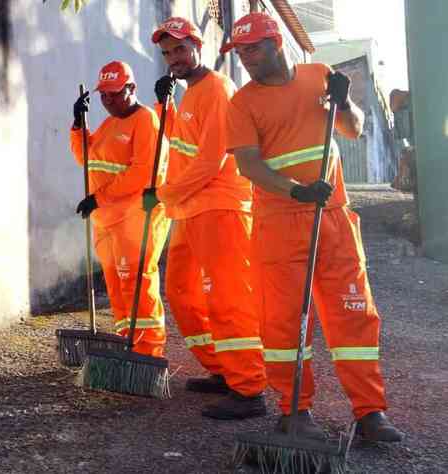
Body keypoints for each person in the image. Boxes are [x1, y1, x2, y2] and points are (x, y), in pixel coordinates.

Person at [223, 12, 404, 441]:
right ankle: (294, 410)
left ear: (276, 43)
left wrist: (343, 101)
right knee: (284, 324)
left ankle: (369, 412)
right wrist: (296, 191)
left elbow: (353, 128)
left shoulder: (319, 75)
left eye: (254, 48)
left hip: (335, 219)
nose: (246, 58)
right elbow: (248, 164)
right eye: (241, 51)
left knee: (354, 316)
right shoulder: (242, 103)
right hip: (280, 223)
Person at [142, 17, 267, 419]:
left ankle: (249, 388)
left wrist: (161, 195)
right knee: (182, 292)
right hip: (189, 209)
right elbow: (181, 144)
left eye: (180, 48)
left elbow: (211, 161)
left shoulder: (217, 89)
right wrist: (166, 105)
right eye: (166, 52)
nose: (173, 57)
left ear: (197, 46)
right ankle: (222, 367)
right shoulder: (190, 92)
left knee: (228, 297)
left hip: (219, 207)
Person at [69, 61, 170, 357]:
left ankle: (148, 352)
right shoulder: (111, 123)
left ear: (131, 88)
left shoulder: (146, 121)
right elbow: (87, 158)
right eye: (104, 96)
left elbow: (143, 173)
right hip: (107, 220)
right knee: (117, 286)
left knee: (137, 283)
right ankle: (127, 343)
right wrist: (78, 125)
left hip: (135, 218)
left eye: (114, 94)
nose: (108, 101)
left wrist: (98, 198)